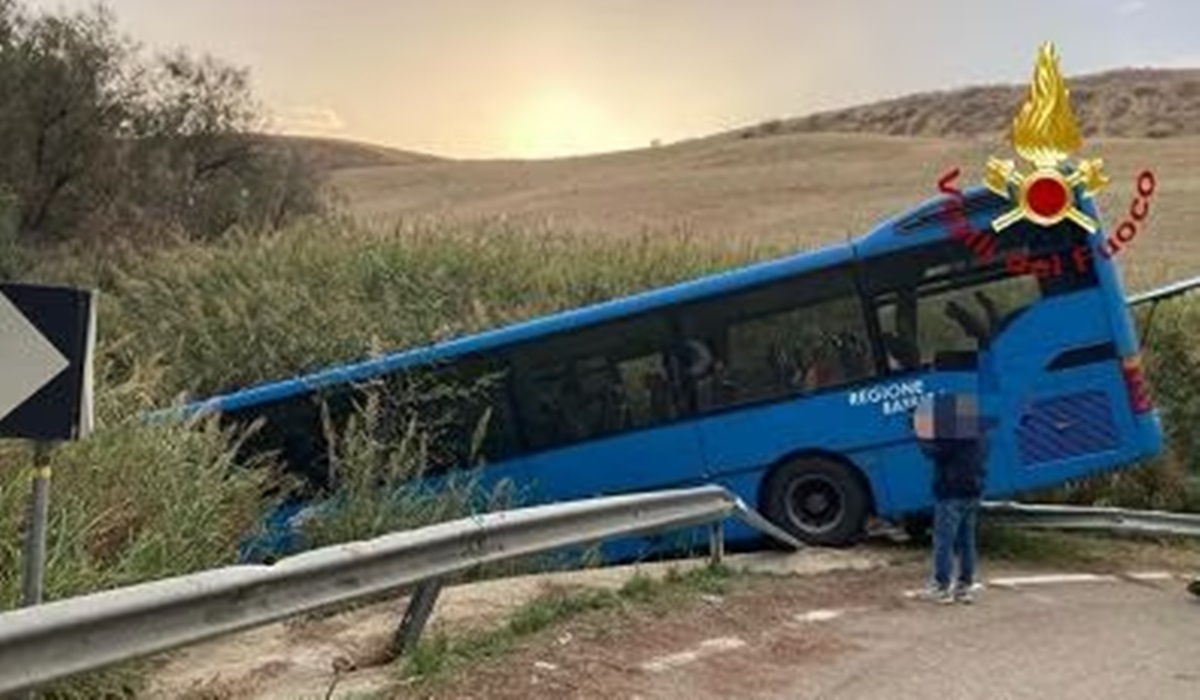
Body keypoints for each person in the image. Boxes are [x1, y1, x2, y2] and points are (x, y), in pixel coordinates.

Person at [913, 392, 992, 604]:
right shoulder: (981, 433)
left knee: (944, 541)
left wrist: (918, 432)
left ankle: (941, 587)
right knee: (966, 541)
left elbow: (933, 452)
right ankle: (964, 587)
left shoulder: (954, 435)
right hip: (973, 490)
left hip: (950, 492)